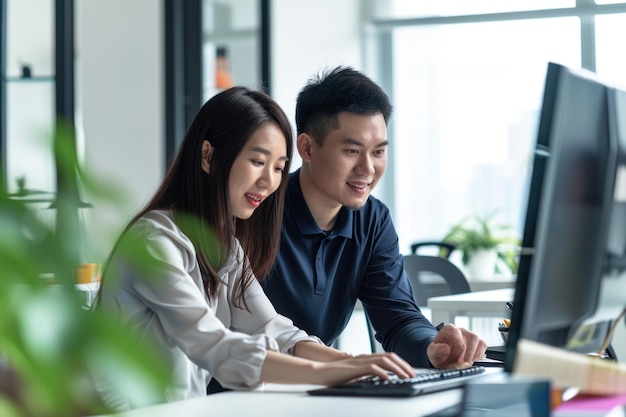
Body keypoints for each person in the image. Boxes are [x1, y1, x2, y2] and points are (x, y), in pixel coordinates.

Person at [94, 86, 414, 410]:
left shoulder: (224, 247)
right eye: (258, 161)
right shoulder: (153, 243)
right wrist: (328, 372)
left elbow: (273, 329)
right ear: (208, 156)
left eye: (278, 167)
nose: (269, 182)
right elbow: (213, 345)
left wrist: (351, 364)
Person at [263, 67, 487, 369]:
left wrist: (431, 346)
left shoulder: (373, 220)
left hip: (313, 388)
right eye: (352, 150)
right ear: (307, 148)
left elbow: (397, 318)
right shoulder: (257, 209)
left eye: (378, 152)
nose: (368, 169)